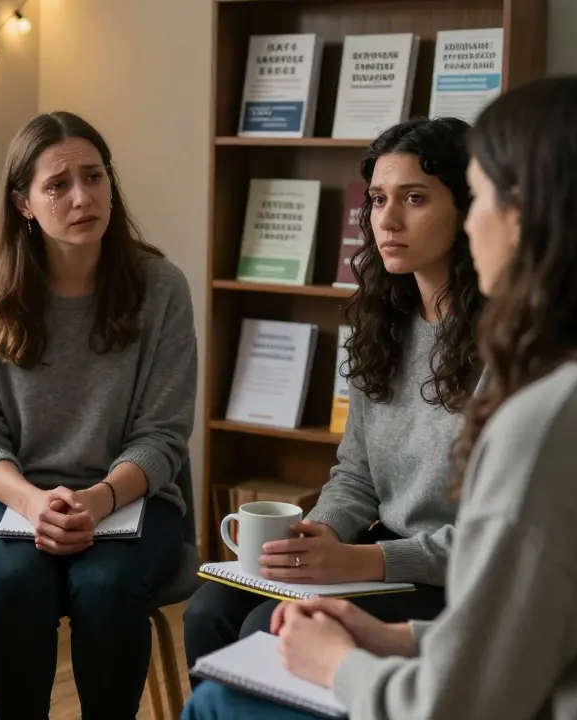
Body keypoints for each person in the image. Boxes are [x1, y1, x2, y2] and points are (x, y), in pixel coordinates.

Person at [182, 70, 577, 719]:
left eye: (469, 198)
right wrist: (367, 606)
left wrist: (341, 660)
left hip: (456, 623)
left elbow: (456, 696)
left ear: (533, 214)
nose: (388, 219)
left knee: (226, 693)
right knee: (224, 615)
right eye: (377, 199)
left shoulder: (549, 410)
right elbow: (544, 631)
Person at [184, 117, 483, 678]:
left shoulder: (510, 348)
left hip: (458, 577)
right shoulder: (383, 325)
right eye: (377, 199)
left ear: (468, 208)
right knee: (210, 612)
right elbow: (355, 475)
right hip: (377, 554)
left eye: (414, 198)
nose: (387, 220)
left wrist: (358, 560)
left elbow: (499, 533)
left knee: (262, 631)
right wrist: (318, 534)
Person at [0, 110, 198, 719]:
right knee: (17, 585)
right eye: (58, 185)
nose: (83, 197)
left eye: (94, 177)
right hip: (5, 498)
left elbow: (163, 436)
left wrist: (98, 501)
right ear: (24, 203)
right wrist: (34, 504)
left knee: (106, 589)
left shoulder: (161, 287)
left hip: (131, 496)